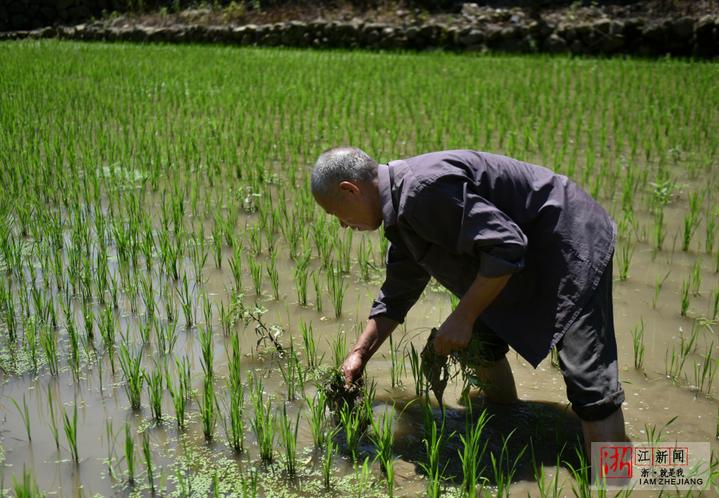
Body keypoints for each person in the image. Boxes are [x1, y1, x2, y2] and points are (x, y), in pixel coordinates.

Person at [310, 146, 628, 455]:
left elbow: (507, 245)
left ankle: (615, 482)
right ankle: (507, 422)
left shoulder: (422, 192)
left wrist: (463, 316)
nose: (342, 225)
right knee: (481, 342)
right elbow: (397, 293)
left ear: (350, 190)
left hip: (570, 243)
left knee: (590, 387)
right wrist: (359, 355)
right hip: (529, 252)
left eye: (336, 214)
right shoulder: (401, 211)